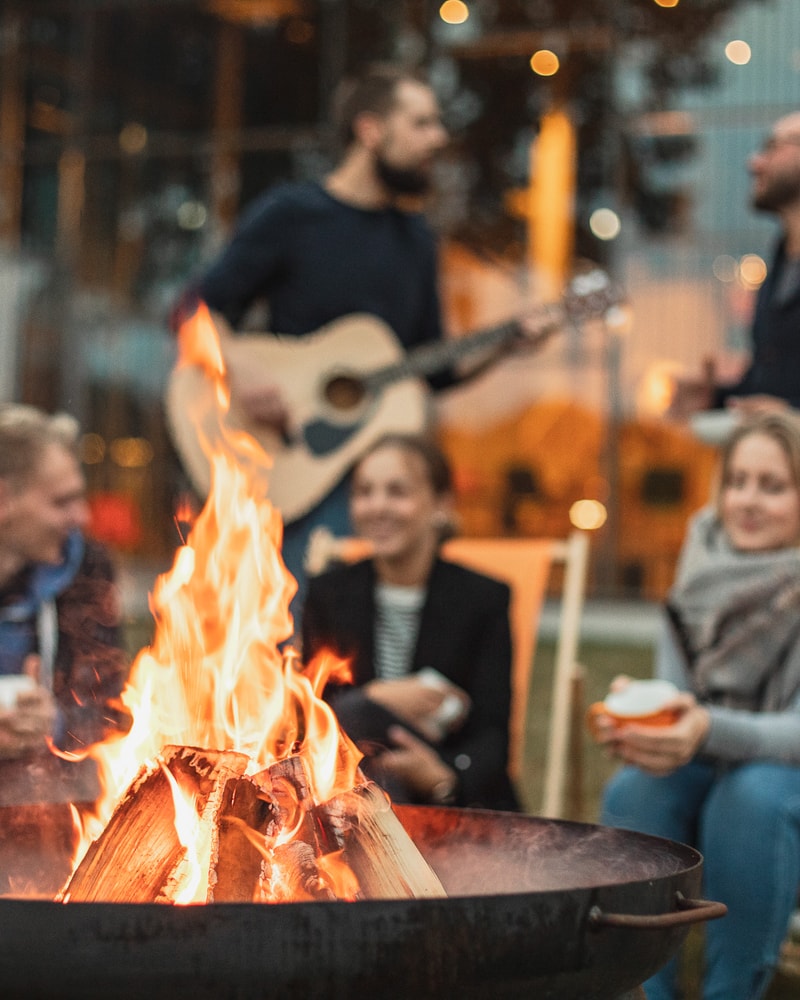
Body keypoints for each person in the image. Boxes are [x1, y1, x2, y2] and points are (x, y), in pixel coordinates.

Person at [174, 64, 537, 610]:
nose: (437, 140)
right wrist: (238, 368)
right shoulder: (293, 215)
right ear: (371, 130)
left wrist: (507, 343)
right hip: (291, 464)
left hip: (375, 481)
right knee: (291, 633)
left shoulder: (416, 240)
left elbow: (431, 370)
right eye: (421, 124)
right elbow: (190, 308)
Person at [590, 410, 800, 1000]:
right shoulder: (694, 579)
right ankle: (640, 988)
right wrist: (643, 726)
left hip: (781, 788)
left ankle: (732, 990)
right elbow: (675, 701)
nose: (747, 500)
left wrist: (704, 728)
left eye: (773, 485)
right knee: (638, 788)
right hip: (710, 769)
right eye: (736, 481)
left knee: (752, 795)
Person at [301, 433, 519, 811]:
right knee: (371, 763)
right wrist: (376, 698)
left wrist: (443, 776)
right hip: (348, 784)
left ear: (441, 504)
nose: (377, 506)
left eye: (397, 492)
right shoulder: (330, 595)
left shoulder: (481, 599)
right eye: (365, 492)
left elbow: (491, 735)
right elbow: (310, 714)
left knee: (375, 765)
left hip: (453, 799)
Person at [0, 405, 131, 810]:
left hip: (45, 807)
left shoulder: (86, 569)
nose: (83, 516)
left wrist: (53, 722)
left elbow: (111, 710)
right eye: (63, 501)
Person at [671, 111, 800, 419]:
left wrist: (792, 416)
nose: (753, 163)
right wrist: (716, 398)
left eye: (771, 147)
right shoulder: (780, 264)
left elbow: (784, 406)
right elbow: (772, 387)